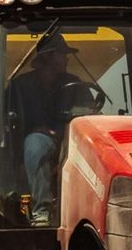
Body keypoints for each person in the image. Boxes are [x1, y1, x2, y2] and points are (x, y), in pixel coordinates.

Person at [8, 34, 79, 222]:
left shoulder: (75, 83)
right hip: (36, 142)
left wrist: (63, 132)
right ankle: (42, 212)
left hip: (71, 137)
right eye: (62, 54)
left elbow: (88, 113)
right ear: (48, 58)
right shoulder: (19, 86)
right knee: (35, 144)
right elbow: (8, 124)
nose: (66, 59)